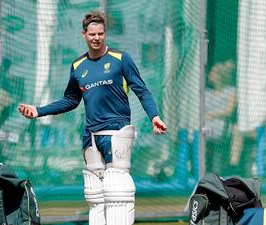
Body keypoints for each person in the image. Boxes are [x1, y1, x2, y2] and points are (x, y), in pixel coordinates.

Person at [19, 10, 167, 225]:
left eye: (101, 34)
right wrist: (39, 110)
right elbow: (70, 100)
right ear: (84, 35)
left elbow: (142, 91)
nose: (97, 38)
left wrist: (154, 116)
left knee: (118, 193)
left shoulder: (120, 59)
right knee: (95, 196)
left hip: (116, 132)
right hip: (90, 136)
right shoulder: (78, 66)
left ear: (105, 34)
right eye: (92, 34)